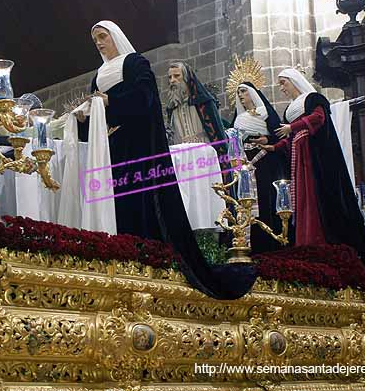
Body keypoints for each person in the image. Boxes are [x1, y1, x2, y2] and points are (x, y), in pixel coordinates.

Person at [76, 20, 256, 300]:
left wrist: (109, 101)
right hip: (113, 148)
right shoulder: (98, 75)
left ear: (115, 37)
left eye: (103, 37)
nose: (99, 43)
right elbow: (99, 119)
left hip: (138, 147)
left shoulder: (135, 62)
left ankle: (146, 258)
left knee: (140, 204)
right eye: (95, 39)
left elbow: (145, 97)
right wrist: (83, 117)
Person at [261, 68, 365, 330]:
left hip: (315, 162)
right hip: (299, 155)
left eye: (283, 82)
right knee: (301, 203)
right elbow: (290, 139)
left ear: (294, 81)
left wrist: (293, 126)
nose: (281, 87)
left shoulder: (313, 99)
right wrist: (272, 146)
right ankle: (304, 241)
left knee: (314, 201)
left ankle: (316, 239)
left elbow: (318, 118)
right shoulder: (292, 109)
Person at [233, 82, 290, 253]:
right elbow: (233, 141)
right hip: (246, 164)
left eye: (244, 91)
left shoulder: (266, 113)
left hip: (265, 162)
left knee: (266, 199)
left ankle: (271, 244)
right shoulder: (238, 118)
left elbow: (279, 136)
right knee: (247, 202)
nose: (241, 95)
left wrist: (267, 139)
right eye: (238, 92)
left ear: (252, 93)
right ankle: (252, 244)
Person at [165, 62, 228, 149]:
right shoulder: (172, 109)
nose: (172, 80)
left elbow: (218, 133)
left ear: (187, 78)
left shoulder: (203, 103)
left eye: (177, 76)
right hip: (183, 155)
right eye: (170, 77)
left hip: (205, 152)